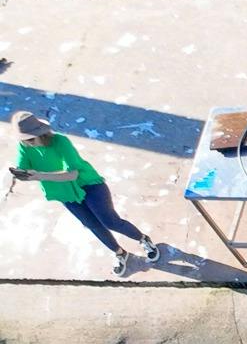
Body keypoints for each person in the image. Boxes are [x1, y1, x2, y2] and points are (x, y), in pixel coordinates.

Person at [9, 112, 159, 277]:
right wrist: (21, 174)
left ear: (41, 133)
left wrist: (39, 175)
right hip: (66, 193)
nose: (28, 143)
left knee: (111, 222)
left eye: (30, 139)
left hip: (89, 185)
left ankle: (143, 239)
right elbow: (24, 168)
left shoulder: (60, 142)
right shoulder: (24, 145)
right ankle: (120, 253)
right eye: (24, 139)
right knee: (92, 225)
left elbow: (72, 174)